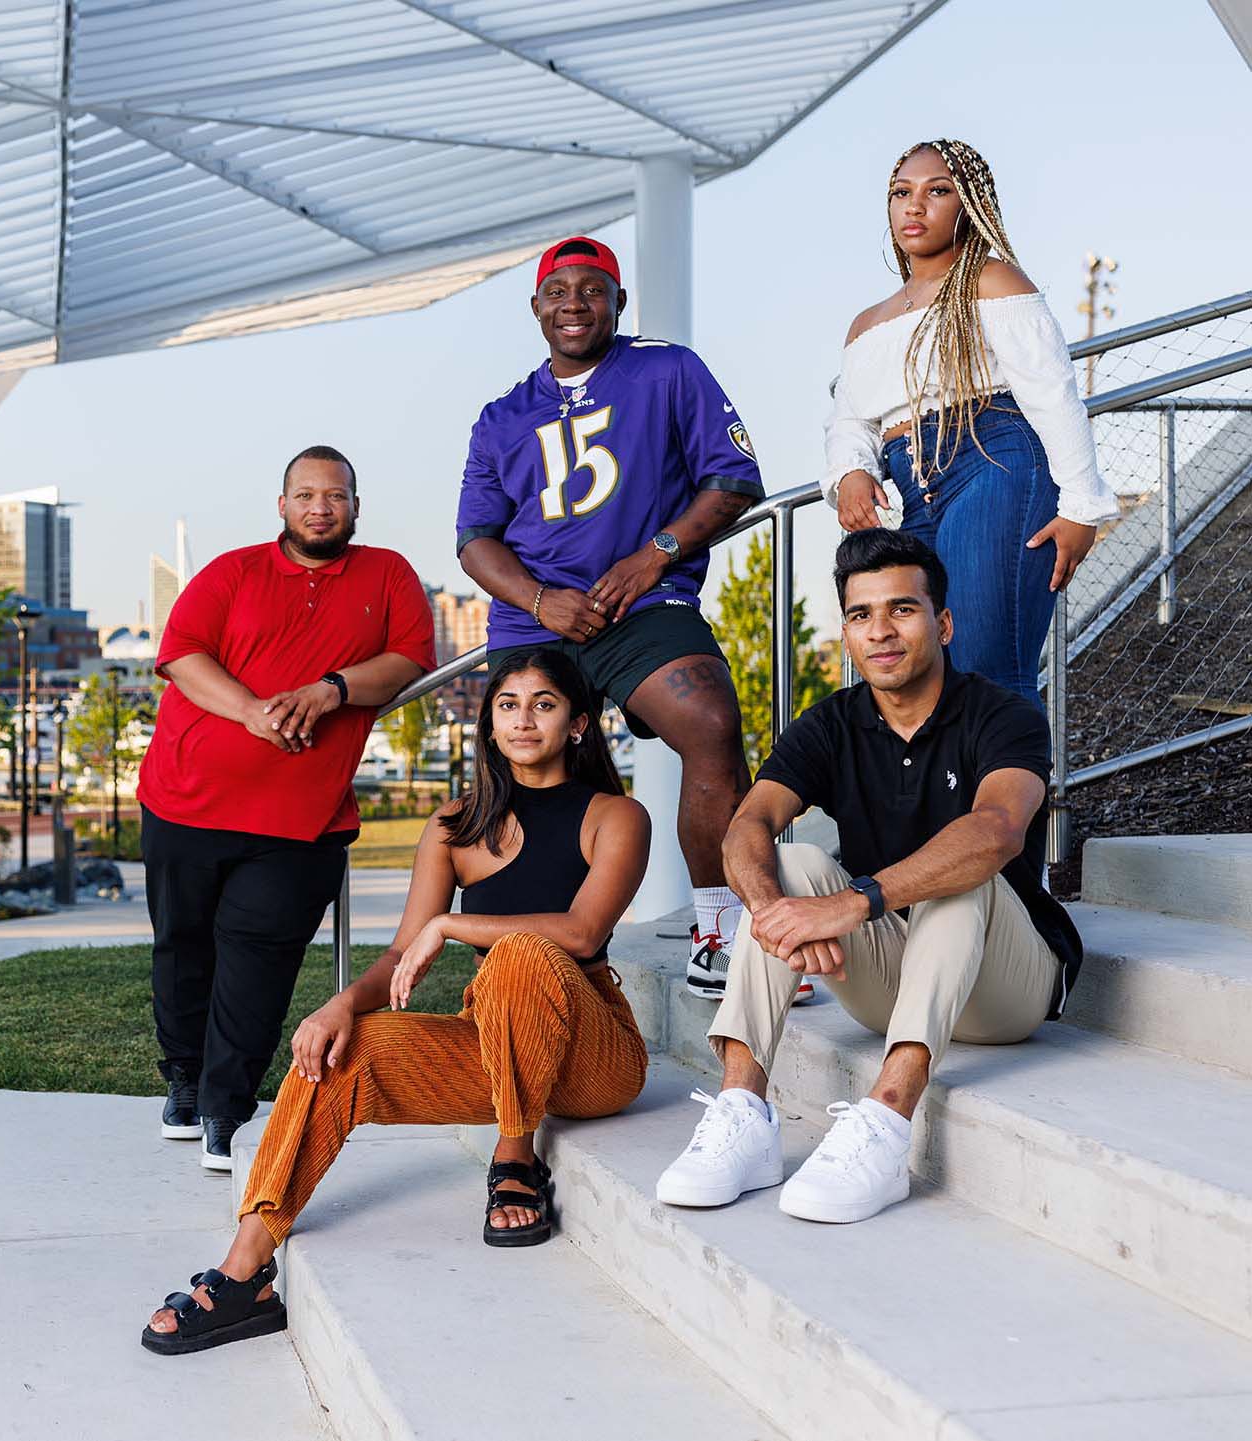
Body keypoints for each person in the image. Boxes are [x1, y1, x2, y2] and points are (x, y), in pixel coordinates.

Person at [141, 651, 651, 1354]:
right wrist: (340, 1005)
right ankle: (244, 1270)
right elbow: (397, 953)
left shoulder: (615, 815)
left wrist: (451, 925)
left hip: (594, 1053)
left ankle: (514, 1157)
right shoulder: (454, 826)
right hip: (496, 1040)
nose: (523, 718)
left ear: (577, 724)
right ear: (488, 722)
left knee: (522, 952)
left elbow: (581, 930)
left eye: (543, 703)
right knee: (348, 1047)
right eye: (507, 703)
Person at [656, 528, 1082, 1224]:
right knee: (786, 864)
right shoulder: (830, 723)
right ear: (847, 632)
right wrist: (773, 909)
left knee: (960, 867)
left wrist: (855, 903)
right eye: (860, 615)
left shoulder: (1001, 715)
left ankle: (885, 1123)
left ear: (941, 622)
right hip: (891, 983)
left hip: (1001, 988)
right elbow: (745, 826)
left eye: (901, 609)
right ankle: (742, 1113)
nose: (879, 631)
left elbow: (996, 830)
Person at [457, 234, 812, 1003]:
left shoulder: (666, 368)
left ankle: (721, 929)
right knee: (529, 777)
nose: (574, 304)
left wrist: (653, 555)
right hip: (535, 620)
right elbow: (474, 541)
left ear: (618, 302)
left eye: (592, 290)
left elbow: (733, 477)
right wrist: (539, 599)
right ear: (535, 308)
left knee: (712, 723)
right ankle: (522, 970)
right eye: (558, 292)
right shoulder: (500, 416)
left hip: (641, 603)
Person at [137, 444, 436, 1169]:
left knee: (258, 962)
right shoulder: (231, 570)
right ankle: (182, 1075)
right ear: (282, 504)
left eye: (334, 495)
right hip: (183, 798)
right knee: (184, 945)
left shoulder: (387, 573)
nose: (320, 507)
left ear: (355, 506)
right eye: (305, 495)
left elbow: (408, 659)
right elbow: (181, 655)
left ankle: (222, 1109)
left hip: (300, 823)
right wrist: (249, 712)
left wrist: (330, 688)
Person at [824, 138, 1118, 706]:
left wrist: (1082, 508)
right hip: (912, 491)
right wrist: (850, 475)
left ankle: (1015, 800)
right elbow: (850, 422)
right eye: (901, 193)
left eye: (938, 191)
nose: (915, 206)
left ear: (970, 204)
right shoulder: (867, 324)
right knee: (919, 676)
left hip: (993, 461)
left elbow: (1054, 397)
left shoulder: (994, 282)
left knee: (986, 666)